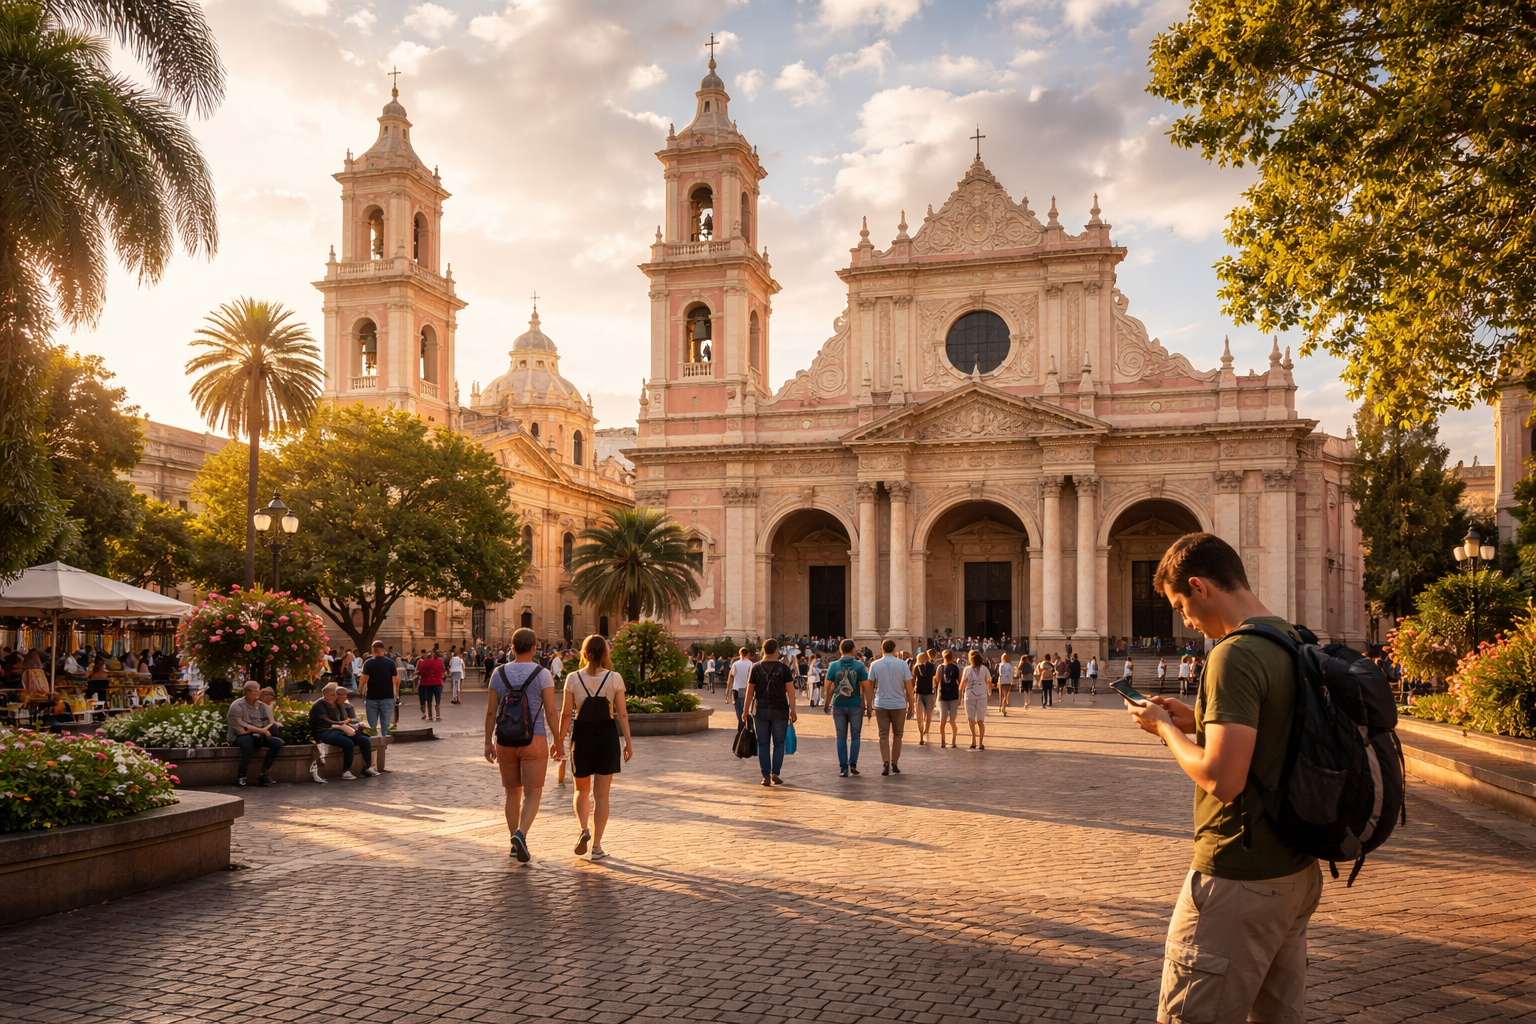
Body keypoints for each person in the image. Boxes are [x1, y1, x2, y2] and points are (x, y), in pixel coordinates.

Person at [1124, 532, 1321, 1024]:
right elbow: (1275, 727)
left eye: (1180, 606)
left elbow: (1222, 778)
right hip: (1294, 870)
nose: (1185, 621)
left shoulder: (1233, 654)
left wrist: (1166, 730)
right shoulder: (1292, 638)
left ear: (1199, 586)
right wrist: (1199, 719)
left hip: (1238, 874)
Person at [484, 628, 563, 863]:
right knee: (533, 792)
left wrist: (488, 742)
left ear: (512, 647)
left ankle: (513, 840)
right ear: (534, 648)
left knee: (512, 793)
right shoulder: (542, 674)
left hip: (505, 740)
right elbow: (550, 710)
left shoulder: (498, 674)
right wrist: (558, 740)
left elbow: (490, 711)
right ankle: (521, 833)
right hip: (534, 739)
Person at [559, 634, 632, 860]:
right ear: (605, 653)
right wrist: (628, 742)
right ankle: (597, 847)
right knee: (601, 795)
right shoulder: (614, 678)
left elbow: (565, 714)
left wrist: (558, 741)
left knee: (580, 790)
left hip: (582, 735)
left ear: (584, 652)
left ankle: (584, 830)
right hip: (607, 736)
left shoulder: (572, 678)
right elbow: (621, 714)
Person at [742, 638, 797, 786]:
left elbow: (750, 691)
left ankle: (765, 775)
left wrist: (745, 710)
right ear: (777, 650)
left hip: (760, 710)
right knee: (779, 743)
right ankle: (775, 773)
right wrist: (793, 710)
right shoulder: (783, 668)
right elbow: (790, 692)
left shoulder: (755, 667)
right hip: (780, 710)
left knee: (763, 743)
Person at [310, 683, 377, 781]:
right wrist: (342, 726)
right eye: (334, 694)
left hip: (341, 730)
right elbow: (325, 722)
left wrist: (352, 725)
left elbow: (346, 719)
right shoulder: (319, 705)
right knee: (347, 742)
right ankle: (346, 770)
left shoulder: (339, 704)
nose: (337, 696)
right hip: (324, 732)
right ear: (326, 694)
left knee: (364, 740)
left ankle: (367, 768)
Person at [868, 639, 914, 776]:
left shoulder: (874, 664)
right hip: (898, 704)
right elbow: (909, 687)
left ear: (882, 649)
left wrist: (869, 704)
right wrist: (911, 704)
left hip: (881, 703)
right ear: (894, 650)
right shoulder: (902, 664)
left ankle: (885, 762)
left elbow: (870, 685)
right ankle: (894, 761)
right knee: (898, 735)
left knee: (883, 735)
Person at [825, 639, 868, 777]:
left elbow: (827, 687)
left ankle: (843, 768)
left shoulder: (833, 666)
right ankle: (853, 763)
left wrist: (826, 702)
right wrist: (868, 705)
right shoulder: (859, 666)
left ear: (841, 650)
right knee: (856, 736)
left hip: (838, 704)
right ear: (853, 649)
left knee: (841, 737)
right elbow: (866, 686)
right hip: (855, 705)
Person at [228, 682, 282, 786]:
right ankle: (242, 774)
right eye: (256, 691)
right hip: (240, 735)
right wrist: (263, 731)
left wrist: (269, 727)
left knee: (276, 743)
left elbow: (271, 723)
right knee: (248, 745)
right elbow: (242, 729)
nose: (258, 693)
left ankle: (264, 774)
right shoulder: (237, 706)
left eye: (259, 690)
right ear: (247, 692)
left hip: (260, 734)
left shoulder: (262, 706)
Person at [360, 641, 400, 737]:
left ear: (373, 650)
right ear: (383, 650)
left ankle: (374, 741)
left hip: (372, 697)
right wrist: (396, 693)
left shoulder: (368, 663)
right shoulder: (390, 663)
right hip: (387, 696)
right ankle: (383, 742)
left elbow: (364, 678)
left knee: (372, 724)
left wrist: (360, 690)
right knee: (385, 723)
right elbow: (395, 679)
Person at [962, 650, 989, 750]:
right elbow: (963, 682)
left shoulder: (984, 669)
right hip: (970, 696)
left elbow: (988, 680)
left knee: (980, 720)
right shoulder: (967, 669)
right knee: (971, 719)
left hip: (981, 696)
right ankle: (973, 739)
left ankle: (980, 742)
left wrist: (988, 690)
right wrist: (960, 693)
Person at [937, 649, 962, 748]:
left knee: (946, 719)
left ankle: (947, 741)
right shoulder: (941, 667)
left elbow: (937, 679)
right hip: (948, 695)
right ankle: (949, 741)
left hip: (947, 694)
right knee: (950, 719)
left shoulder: (955, 668)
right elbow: (959, 682)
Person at [913, 650, 936, 744]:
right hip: (929, 692)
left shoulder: (916, 667)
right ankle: (927, 731)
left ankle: (921, 735)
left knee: (919, 716)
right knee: (928, 714)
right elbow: (934, 676)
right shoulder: (932, 666)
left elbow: (913, 679)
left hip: (919, 691)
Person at [728, 647, 754, 727]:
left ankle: (741, 723)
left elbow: (732, 675)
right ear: (748, 654)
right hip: (747, 688)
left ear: (740, 653)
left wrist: (727, 692)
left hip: (736, 688)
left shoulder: (735, 664)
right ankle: (744, 724)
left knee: (738, 708)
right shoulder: (751, 664)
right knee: (746, 707)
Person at [416, 649, 445, 721]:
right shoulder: (439, 661)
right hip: (438, 683)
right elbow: (443, 670)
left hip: (428, 683)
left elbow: (420, 672)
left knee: (429, 700)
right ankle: (438, 714)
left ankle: (430, 715)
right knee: (437, 700)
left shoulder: (425, 662)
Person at [996, 652, 1015, 716]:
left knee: (1001, 694)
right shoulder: (1009, 665)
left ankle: (1000, 706)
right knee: (1005, 695)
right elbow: (1012, 673)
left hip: (1001, 680)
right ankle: (1004, 708)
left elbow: (1000, 673)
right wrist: (1011, 681)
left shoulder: (1000, 665)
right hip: (1007, 680)